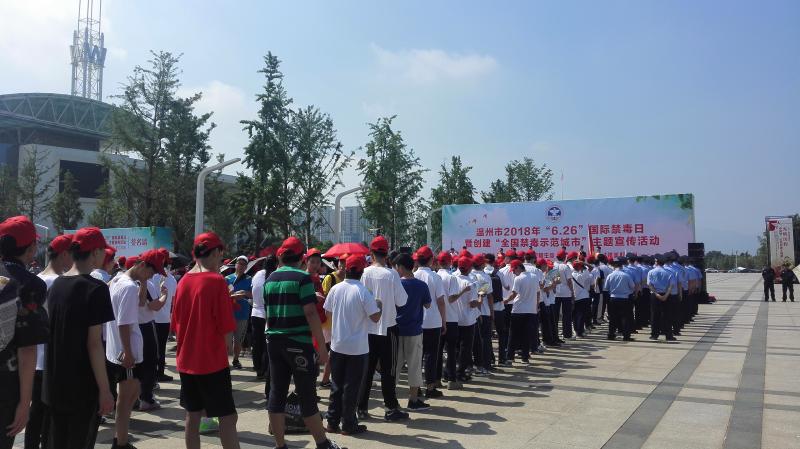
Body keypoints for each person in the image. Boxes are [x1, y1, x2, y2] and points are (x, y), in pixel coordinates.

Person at [264, 237, 341, 449]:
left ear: (281, 255)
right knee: (307, 395)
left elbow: (269, 312)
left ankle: (280, 445)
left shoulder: (270, 279)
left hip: (274, 341)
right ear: (301, 258)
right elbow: (310, 313)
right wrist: (322, 348)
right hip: (298, 342)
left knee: (276, 394)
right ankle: (323, 444)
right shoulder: (302, 278)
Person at [42, 226, 116, 447]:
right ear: (95, 252)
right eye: (103, 250)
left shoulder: (56, 285)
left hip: (54, 382)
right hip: (82, 386)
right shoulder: (96, 288)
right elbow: (94, 344)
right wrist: (105, 390)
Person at [171, 232, 240, 448]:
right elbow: (227, 330)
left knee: (192, 416)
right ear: (216, 252)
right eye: (220, 254)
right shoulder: (216, 281)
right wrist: (228, 350)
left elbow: (175, 325)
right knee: (228, 417)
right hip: (212, 361)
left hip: (187, 361)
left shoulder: (183, 281)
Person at [106, 249, 166, 449]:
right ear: (142, 265)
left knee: (129, 397)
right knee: (126, 400)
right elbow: (124, 323)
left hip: (119, 349)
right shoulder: (129, 287)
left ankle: (121, 439)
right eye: (151, 271)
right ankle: (120, 442)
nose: (151, 276)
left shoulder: (117, 280)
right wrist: (128, 352)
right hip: (127, 351)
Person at [0, 216, 50, 449]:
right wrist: (24, 402)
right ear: (30, 247)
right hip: (6, 386)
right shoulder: (31, 285)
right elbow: (27, 349)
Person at [323, 254, 381, 435]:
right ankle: (348, 424)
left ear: (346, 269)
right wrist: (379, 304)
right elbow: (375, 317)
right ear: (362, 271)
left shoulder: (336, 289)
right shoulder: (363, 291)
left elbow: (327, 313)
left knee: (336, 385)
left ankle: (332, 422)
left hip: (337, 344)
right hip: (357, 348)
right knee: (352, 387)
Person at [24, 233, 72, 449]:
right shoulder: (59, 282)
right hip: (51, 358)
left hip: (33, 357)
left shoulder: (36, 279)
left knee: (35, 414)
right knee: (49, 416)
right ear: (63, 254)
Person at [357, 236, 409, 422]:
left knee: (367, 370)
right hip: (388, 327)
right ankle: (390, 408)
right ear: (386, 254)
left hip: (368, 328)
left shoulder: (364, 273)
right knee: (389, 371)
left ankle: (361, 408)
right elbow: (402, 301)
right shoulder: (392, 274)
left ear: (371, 253)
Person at [395, 253, 432, 410]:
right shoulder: (421, 285)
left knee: (394, 367)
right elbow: (428, 305)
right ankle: (413, 399)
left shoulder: (396, 284)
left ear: (401, 267)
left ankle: (391, 400)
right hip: (415, 330)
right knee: (415, 366)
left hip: (396, 330)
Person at [413, 246, 446, 399]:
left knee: (417, 357)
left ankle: (416, 388)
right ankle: (430, 387)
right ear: (431, 260)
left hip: (417, 322)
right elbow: (441, 302)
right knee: (431, 355)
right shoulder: (435, 277)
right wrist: (444, 321)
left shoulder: (413, 275)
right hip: (433, 321)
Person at [436, 252, 465, 390]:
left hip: (437, 318)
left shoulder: (435, 276)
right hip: (451, 318)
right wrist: (462, 292)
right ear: (450, 262)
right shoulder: (451, 277)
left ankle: (436, 379)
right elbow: (451, 299)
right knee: (451, 350)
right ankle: (451, 379)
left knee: (438, 351)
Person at [502, 260, 539, 364]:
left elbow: (514, 294)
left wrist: (506, 301)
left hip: (518, 310)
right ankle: (525, 357)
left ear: (518, 267)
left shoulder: (518, 279)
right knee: (526, 334)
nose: (513, 272)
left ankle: (510, 356)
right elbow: (538, 293)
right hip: (531, 311)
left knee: (513, 334)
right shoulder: (534, 277)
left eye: (514, 270)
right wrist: (536, 306)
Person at [320, 256, 346, 388]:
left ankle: (326, 379)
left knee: (333, 352)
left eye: (345, 262)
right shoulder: (330, 278)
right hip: (329, 322)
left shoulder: (347, 280)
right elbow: (324, 299)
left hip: (339, 321)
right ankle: (325, 379)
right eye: (341, 262)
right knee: (333, 352)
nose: (343, 264)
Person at [250, 255, 277, 382]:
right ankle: (265, 369)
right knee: (266, 345)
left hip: (255, 313)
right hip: (267, 314)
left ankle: (258, 368)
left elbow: (253, 290)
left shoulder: (257, 274)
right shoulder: (274, 275)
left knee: (257, 343)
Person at [153, 248, 178, 383]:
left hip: (150, 318)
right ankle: (160, 372)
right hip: (164, 318)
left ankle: (152, 374)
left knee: (151, 347)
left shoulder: (150, 276)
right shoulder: (171, 279)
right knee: (161, 348)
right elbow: (174, 299)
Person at [454, 254, 479, 383]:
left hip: (454, 318)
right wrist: (480, 299)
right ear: (469, 268)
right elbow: (472, 304)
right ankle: (460, 372)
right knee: (466, 348)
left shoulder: (453, 279)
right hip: (468, 320)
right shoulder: (470, 283)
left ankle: (453, 371)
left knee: (455, 347)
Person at [225, 256, 253, 370]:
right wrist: (231, 295)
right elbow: (222, 294)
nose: (241, 266)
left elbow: (253, 294)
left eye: (243, 264)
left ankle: (236, 359)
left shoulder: (250, 279)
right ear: (235, 264)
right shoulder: (227, 278)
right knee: (227, 341)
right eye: (239, 263)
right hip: (229, 313)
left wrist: (245, 293)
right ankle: (224, 361)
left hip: (243, 313)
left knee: (238, 340)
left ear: (246, 267)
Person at [470, 254, 493, 376]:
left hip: (472, 313)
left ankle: (473, 365)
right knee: (485, 340)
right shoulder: (485, 277)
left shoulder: (469, 275)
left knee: (473, 342)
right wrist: (492, 313)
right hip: (483, 312)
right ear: (482, 264)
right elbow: (487, 296)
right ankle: (484, 365)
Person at [604, 257, 636, 341]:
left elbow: (606, 287)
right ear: (622, 265)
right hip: (624, 298)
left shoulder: (610, 275)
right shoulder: (626, 275)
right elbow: (633, 286)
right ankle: (626, 336)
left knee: (613, 318)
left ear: (614, 265)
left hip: (613, 298)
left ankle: (611, 334)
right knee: (625, 317)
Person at [646, 254, 675, 341]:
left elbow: (649, 285)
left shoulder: (651, 272)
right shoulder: (669, 272)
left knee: (654, 315)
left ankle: (654, 335)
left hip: (655, 295)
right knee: (667, 315)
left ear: (657, 262)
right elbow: (671, 286)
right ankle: (668, 335)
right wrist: (666, 295)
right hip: (666, 295)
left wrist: (656, 294)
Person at [553, 250, 575, 340]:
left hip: (555, 293)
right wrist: (572, 292)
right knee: (567, 315)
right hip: (566, 293)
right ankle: (567, 335)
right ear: (563, 257)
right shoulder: (565, 267)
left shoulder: (553, 265)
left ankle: (554, 335)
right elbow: (569, 281)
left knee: (555, 316)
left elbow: (551, 279)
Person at [571, 260, 593, 338]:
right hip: (583, 297)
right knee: (581, 315)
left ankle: (576, 331)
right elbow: (591, 267)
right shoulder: (581, 275)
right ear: (580, 267)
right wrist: (583, 262)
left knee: (575, 316)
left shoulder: (570, 275)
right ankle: (580, 332)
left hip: (574, 297)